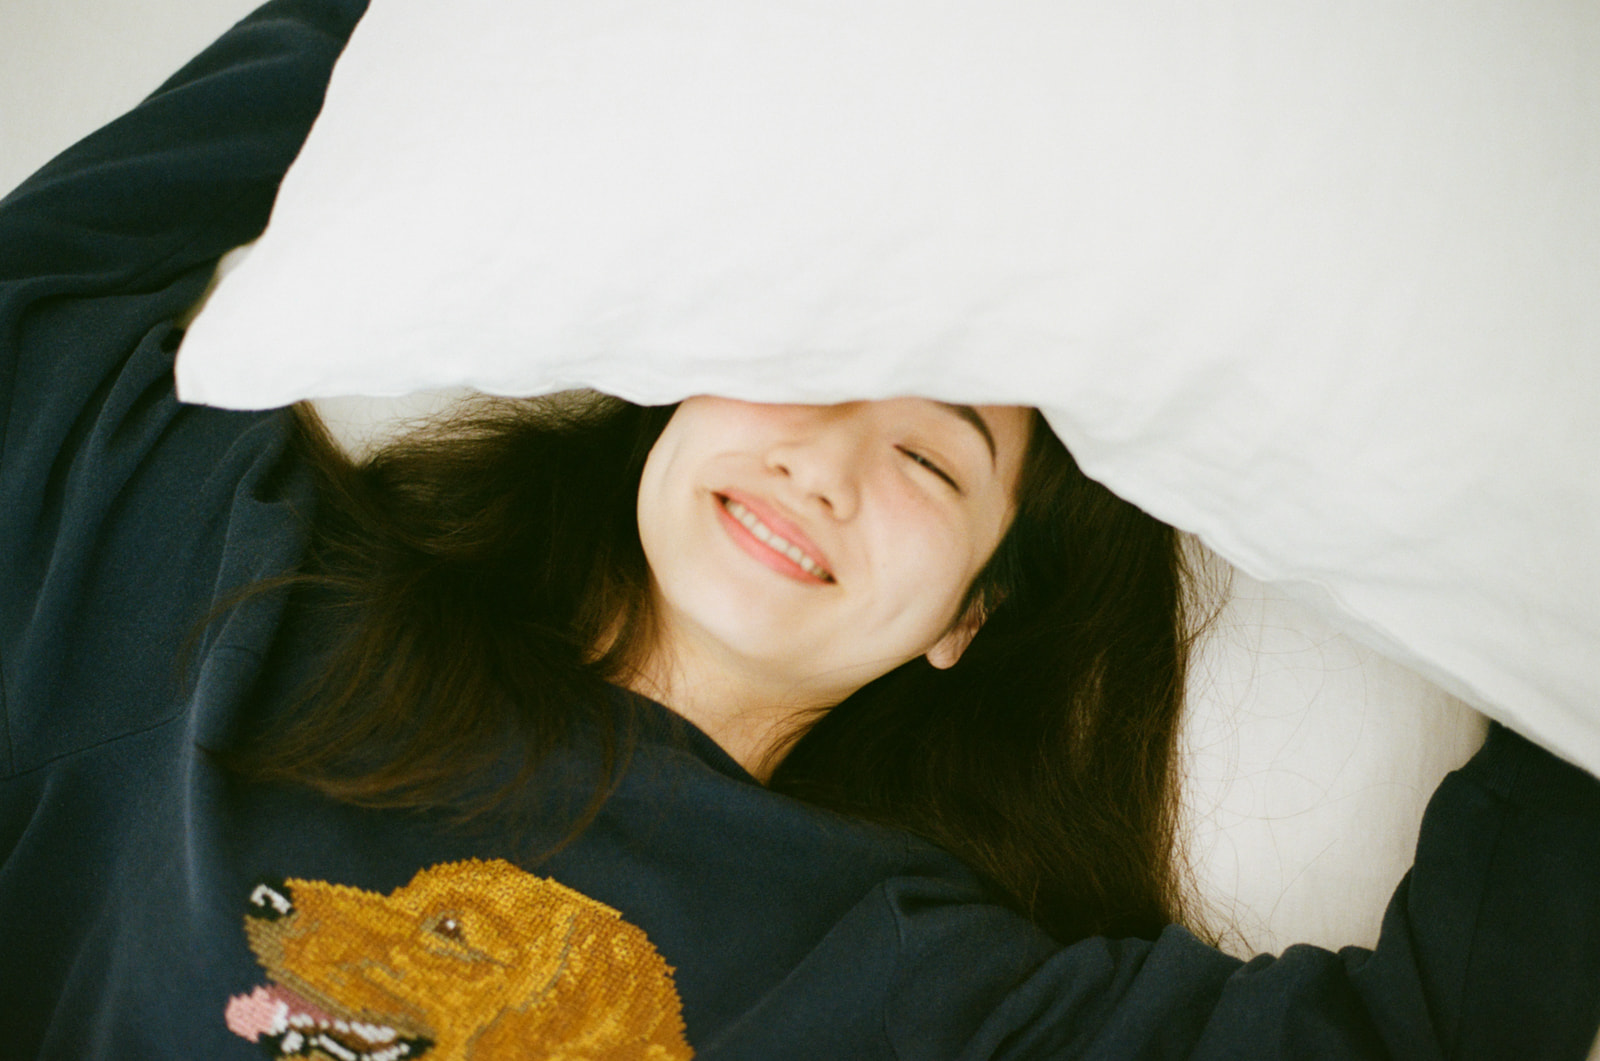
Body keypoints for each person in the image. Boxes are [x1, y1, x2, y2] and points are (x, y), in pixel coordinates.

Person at [2, 1, 1597, 1058]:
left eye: (933, 460)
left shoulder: (904, 983)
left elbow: (1444, 1026)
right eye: (802, 365)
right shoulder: (242, 599)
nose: (827, 462)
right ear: (678, 381)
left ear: (967, 612)